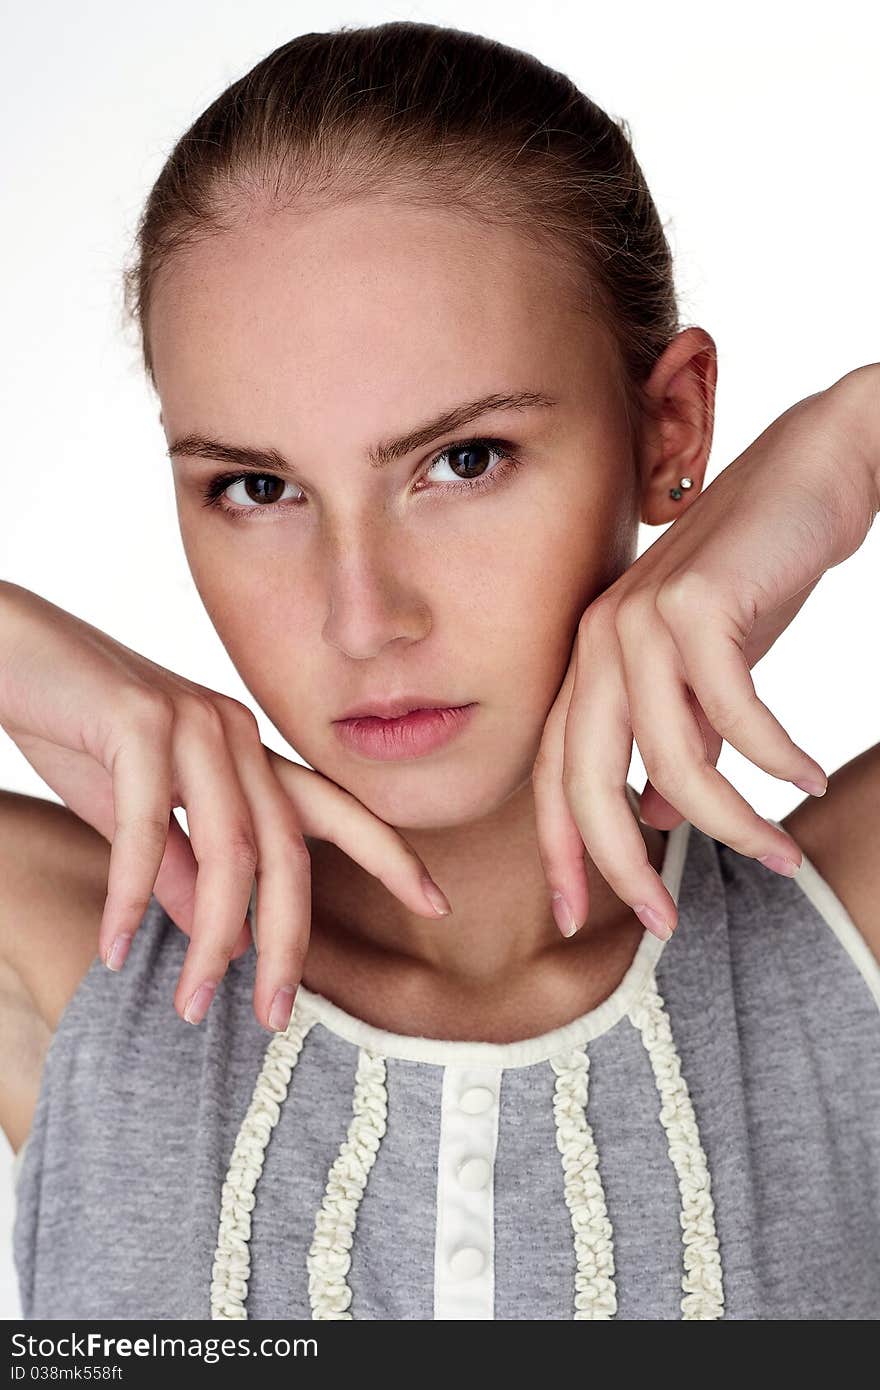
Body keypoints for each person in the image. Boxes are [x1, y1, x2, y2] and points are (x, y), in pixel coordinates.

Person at [2, 20, 879, 1322]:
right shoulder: (75, 948)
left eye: (462, 459)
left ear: (670, 426)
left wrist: (854, 436)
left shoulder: (844, 947)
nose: (362, 617)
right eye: (256, 486)